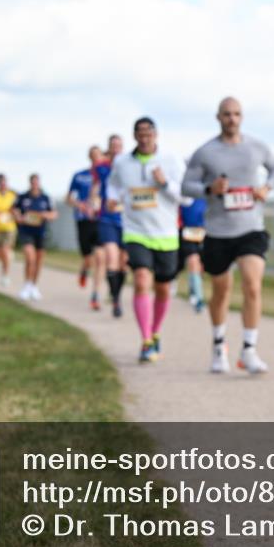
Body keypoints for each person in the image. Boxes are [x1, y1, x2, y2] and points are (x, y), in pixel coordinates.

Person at [182, 97, 274, 374]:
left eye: (237, 114)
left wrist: (267, 188)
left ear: (242, 117)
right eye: (227, 114)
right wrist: (209, 189)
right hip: (217, 231)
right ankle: (218, 345)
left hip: (250, 227)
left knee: (252, 284)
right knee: (221, 290)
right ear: (218, 117)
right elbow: (186, 185)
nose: (232, 119)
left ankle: (249, 350)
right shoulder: (205, 152)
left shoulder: (256, 147)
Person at [106, 117, 185, 363]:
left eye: (148, 132)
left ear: (156, 134)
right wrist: (112, 198)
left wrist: (164, 183)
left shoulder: (171, 161)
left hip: (165, 234)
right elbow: (112, 185)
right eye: (139, 133)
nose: (144, 137)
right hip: (135, 231)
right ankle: (146, 340)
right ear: (134, 135)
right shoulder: (122, 162)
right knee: (141, 281)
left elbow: (185, 197)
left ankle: (156, 330)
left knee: (162, 289)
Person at [68, 146, 105, 310]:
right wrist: (80, 205)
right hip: (83, 220)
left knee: (100, 257)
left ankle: (95, 294)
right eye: (93, 156)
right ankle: (84, 270)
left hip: (101, 220)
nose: (96, 158)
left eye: (99, 156)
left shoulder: (108, 175)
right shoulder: (80, 175)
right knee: (88, 258)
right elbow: (69, 198)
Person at [96, 134, 128, 317]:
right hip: (107, 218)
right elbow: (95, 186)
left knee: (123, 263)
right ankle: (116, 300)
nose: (116, 148)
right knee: (111, 257)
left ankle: (117, 293)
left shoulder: (128, 166)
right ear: (108, 147)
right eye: (113, 145)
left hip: (126, 220)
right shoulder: (102, 167)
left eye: (119, 145)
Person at [13, 174, 57, 300]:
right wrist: (19, 217)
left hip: (41, 232)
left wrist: (45, 215)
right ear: (30, 183)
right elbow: (14, 210)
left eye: (37, 182)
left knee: (38, 260)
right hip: (26, 231)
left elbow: (54, 214)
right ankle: (27, 284)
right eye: (33, 182)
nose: (35, 184)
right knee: (30, 257)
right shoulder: (22, 197)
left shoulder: (46, 198)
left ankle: (33, 285)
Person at [178, 197, 208, 312]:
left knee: (200, 267)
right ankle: (199, 299)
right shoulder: (185, 192)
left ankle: (193, 289)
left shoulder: (206, 191)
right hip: (188, 231)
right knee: (193, 261)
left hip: (204, 232)